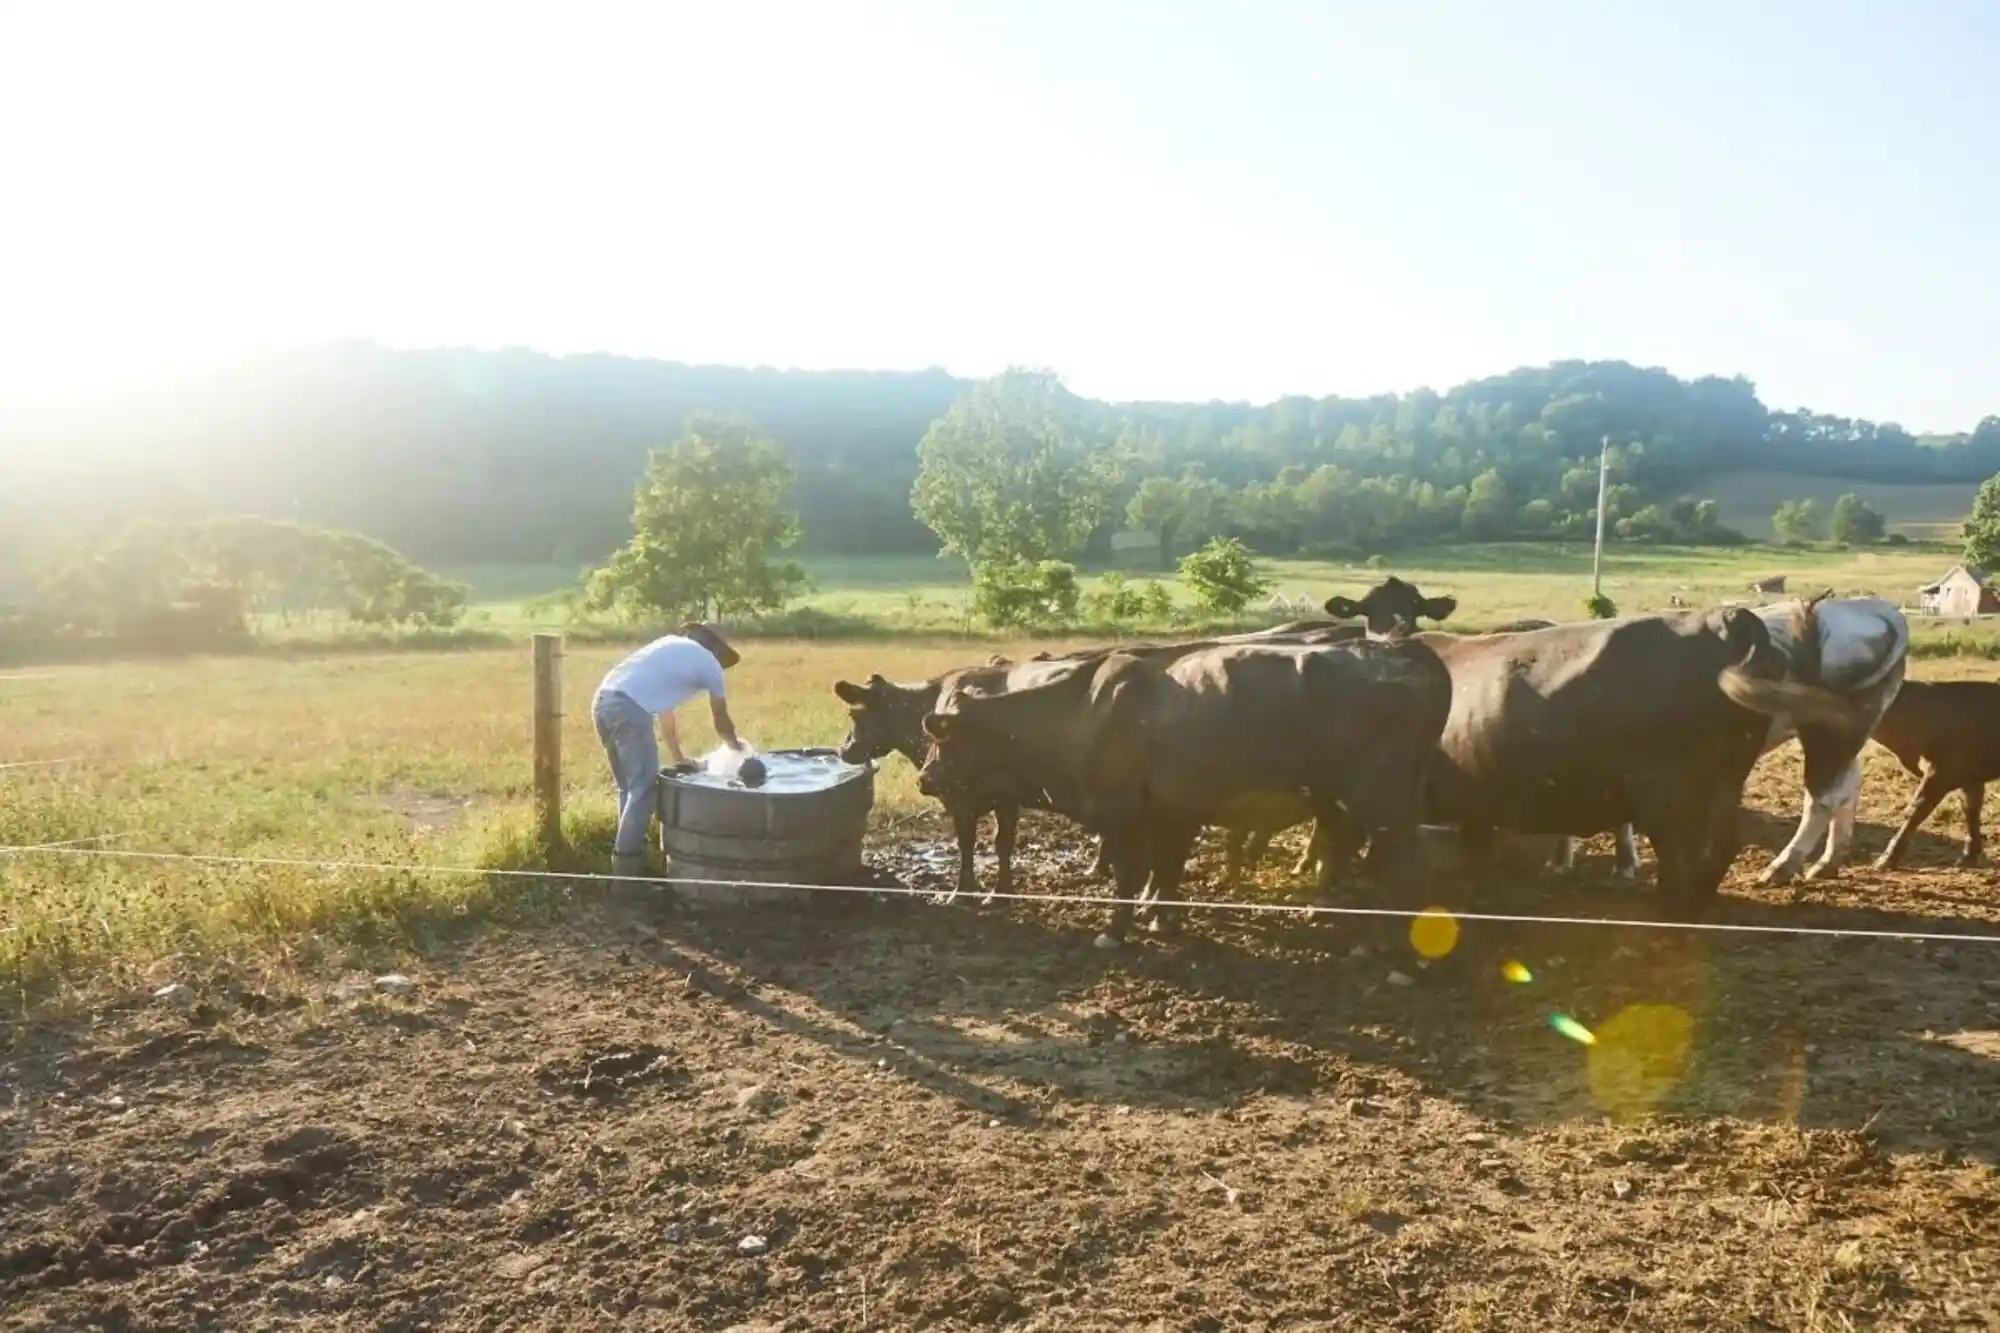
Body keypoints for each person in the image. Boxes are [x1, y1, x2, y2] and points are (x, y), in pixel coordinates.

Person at [592, 620, 745, 877]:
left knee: (630, 788)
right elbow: (721, 720)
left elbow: (666, 715)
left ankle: (627, 860)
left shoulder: (667, 646)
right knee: (645, 789)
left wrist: (679, 758)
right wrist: (736, 748)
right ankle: (626, 876)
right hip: (630, 708)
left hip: (602, 702)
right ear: (718, 649)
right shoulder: (710, 664)